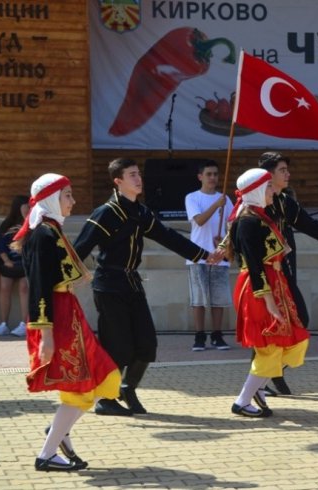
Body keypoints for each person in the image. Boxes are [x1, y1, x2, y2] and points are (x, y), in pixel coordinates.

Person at [73, 158, 222, 416]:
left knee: (147, 344)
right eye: (132, 175)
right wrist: (63, 280)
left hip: (132, 284)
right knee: (117, 345)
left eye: (138, 173)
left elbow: (168, 237)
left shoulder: (141, 212)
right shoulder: (106, 212)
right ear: (118, 181)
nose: (138, 178)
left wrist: (203, 253)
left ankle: (127, 389)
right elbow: (79, 249)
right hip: (109, 286)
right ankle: (105, 399)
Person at [13, 173, 121, 472]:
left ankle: (58, 434)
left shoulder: (52, 230)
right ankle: (47, 453)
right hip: (57, 320)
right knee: (81, 387)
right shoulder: (43, 235)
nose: (73, 201)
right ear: (51, 199)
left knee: (104, 378)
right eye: (68, 195)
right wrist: (45, 335)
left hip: (69, 316)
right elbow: (38, 288)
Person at [258, 151, 318, 395]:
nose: (288, 174)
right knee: (267, 331)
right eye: (282, 170)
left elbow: (311, 226)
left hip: (286, 275)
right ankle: (260, 383)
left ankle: (271, 375)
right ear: (269, 175)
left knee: (300, 321)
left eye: (287, 169)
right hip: (265, 278)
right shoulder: (253, 206)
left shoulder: (286, 202)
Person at [226, 168, 309, 418]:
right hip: (258, 288)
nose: (273, 191)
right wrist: (270, 302)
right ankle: (243, 400)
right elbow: (253, 265)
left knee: (295, 338)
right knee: (270, 344)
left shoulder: (260, 216)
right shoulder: (248, 222)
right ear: (258, 190)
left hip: (274, 284)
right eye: (269, 187)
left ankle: (258, 389)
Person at [184, 160, 233, 351]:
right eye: (209, 174)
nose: (213, 178)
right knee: (199, 299)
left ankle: (217, 335)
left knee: (218, 299)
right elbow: (200, 220)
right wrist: (215, 205)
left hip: (218, 254)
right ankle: (199, 336)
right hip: (198, 254)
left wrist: (224, 241)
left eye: (215, 174)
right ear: (200, 177)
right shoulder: (192, 198)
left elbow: (232, 225)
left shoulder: (225, 199)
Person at [0, 195, 30, 337]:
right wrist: (6, 260)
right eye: (25, 206)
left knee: (23, 288)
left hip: (25, 264)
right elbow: (1, 248)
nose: (28, 209)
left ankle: (24, 324)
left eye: (29, 206)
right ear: (17, 207)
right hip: (9, 263)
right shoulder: (7, 226)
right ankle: (3, 324)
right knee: (4, 287)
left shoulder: (32, 225)